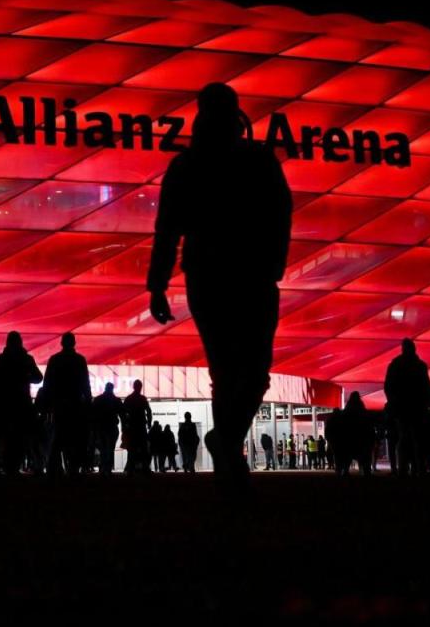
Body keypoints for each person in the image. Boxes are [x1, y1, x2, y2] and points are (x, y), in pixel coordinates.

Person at [148, 83, 292, 481]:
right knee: (253, 369)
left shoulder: (186, 165)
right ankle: (227, 443)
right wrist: (275, 265)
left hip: (208, 277)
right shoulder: (259, 160)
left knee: (226, 370)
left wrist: (158, 284)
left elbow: (167, 230)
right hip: (252, 275)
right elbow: (282, 214)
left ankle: (226, 441)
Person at [0, 332, 43, 475]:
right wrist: (25, 376)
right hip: (21, 404)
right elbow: (38, 378)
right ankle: (14, 466)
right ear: (20, 342)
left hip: (2, 404)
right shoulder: (27, 360)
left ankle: (1, 465)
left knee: (2, 436)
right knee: (19, 437)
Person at [383, 338, 430, 476]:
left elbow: (388, 386)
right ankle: (419, 467)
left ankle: (403, 467)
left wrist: (393, 401)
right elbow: (426, 386)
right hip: (418, 406)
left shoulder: (396, 365)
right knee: (418, 438)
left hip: (402, 407)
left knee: (404, 437)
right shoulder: (420, 366)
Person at [42, 333, 92, 476]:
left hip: (59, 404)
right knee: (75, 438)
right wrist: (88, 402)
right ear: (74, 343)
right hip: (75, 404)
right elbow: (85, 384)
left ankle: (54, 468)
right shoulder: (80, 360)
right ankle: (73, 468)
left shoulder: (55, 360)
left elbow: (47, 384)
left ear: (61, 343)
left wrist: (46, 405)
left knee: (57, 437)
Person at [329, 392, 374, 477]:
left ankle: (345, 471)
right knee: (364, 455)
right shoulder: (362, 411)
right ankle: (366, 471)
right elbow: (368, 425)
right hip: (361, 437)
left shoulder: (347, 411)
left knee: (347, 455)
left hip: (349, 438)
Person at [91, 383, 123, 475]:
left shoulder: (98, 399)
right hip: (112, 426)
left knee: (103, 448)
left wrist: (93, 429)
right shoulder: (116, 400)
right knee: (110, 448)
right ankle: (107, 467)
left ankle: (103, 466)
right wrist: (124, 427)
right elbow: (122, 414)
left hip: (101, 427)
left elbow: (92, 415)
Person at [122, 380, 151, 474]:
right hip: (141, 425)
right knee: (143, 448)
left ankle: (130, 469)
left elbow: (123, 414)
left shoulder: (129, 399)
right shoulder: (143, 399)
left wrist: (124, 425)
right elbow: (148, 411)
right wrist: (149, 423)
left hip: (132, 426)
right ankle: (145, 468)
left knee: (132, 449)